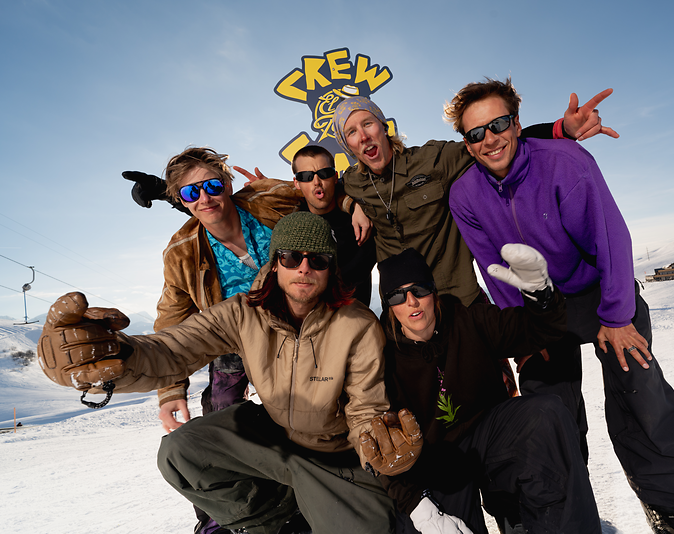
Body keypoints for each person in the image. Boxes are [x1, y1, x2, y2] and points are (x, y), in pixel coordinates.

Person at [38, 212, 417, 534]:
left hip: (334, 454)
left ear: (330, 267)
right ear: (275, 262)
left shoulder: (357, 324)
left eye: (317, 259)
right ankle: (274, 520)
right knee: (179, 451)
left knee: (370, 527)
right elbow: (174, 349)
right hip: (273, 439)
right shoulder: (242, 312)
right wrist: (116, 355)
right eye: (291, 256)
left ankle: (319, 501)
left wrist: (375, 447)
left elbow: (366, 407)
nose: (304, 267)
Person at [445, 78, 674, 534]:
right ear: (466, 144)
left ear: (517, 124)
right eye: (475, 133)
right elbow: (494, 269)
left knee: (638, 388)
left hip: (598, 291)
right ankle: (566, 519)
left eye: (498, 124)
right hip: (540, 310)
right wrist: (522, 338)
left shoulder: (565, 162)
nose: (489, 139)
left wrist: (617, 317)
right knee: (545, 415)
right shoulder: (466, 196)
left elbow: (611, 241)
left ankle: (668, 510)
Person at [370, 246, 600, 534]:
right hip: (437, 465)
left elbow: (538, 330)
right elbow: (382, 447)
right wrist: (417, 506)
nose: (411, 301)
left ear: (434, 291)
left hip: (491, 440)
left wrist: (541, 298)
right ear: (389, 305)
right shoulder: (382, 358)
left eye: (419, 289)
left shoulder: (469, 320)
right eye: (397, 295)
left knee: (545, 415)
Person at [331, 91, 618, 308]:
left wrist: (560, 130)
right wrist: (350, 204)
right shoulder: (353, 183)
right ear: (348, 146)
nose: (363, 136)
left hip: (458, 300)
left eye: (367, 124)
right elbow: (324, 188)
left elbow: (489, 142)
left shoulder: (432, 160)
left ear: (383, 127)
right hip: (403, 307)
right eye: (352, 133)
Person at [152, 147, 305, 533]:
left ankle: (317, 493)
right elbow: (172, 320)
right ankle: (225, 517)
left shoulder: (268, 202)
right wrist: (170, 390)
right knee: (220, 414)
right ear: (180, 201)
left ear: (228, 184)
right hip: (235, 342)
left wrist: (345, 204)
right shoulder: (181, 252)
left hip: (297, 326)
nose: (205, 198)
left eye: (212, 185)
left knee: (305, 410)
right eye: (191, 193)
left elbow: (322, 189)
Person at [236, 145, 377, 306]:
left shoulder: (362, 219)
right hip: (304, 319)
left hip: (351, 319)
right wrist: (271, 191)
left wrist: (355, 206)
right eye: (306, 176)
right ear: (296, 182)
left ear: (335, 177)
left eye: (325, 174)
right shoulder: (290, 222)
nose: (317, 182)